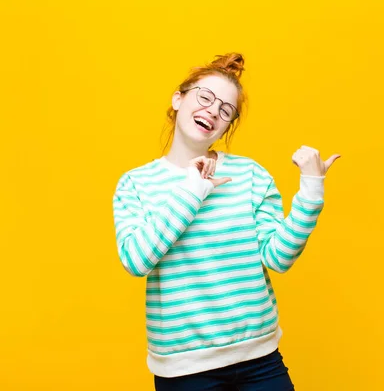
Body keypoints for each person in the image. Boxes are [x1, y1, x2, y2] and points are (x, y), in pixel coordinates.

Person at [112, 52, 340, 391]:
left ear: (227, 125)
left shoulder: (249, 175)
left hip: (260, 360)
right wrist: (192, 191)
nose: (212, 111)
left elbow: (278, 258)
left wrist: (311, 192)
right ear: (178, 99)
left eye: (225, 110)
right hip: (184, 370)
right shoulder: (135, 184)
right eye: (204, 97)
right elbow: (136, 261)